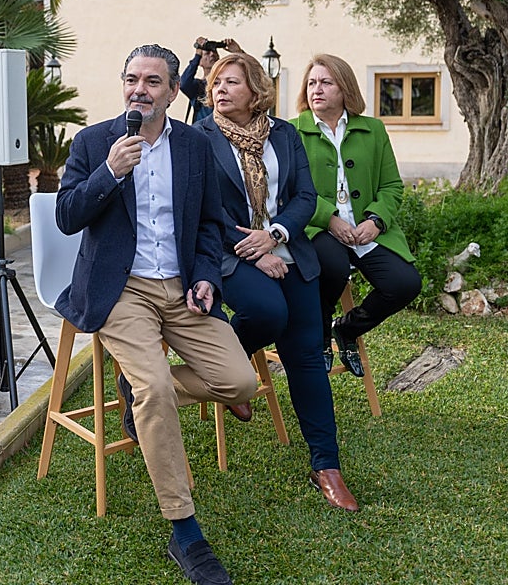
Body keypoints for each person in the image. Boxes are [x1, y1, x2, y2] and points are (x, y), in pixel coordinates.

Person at [56, 44, 258, 585]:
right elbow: (67, 216)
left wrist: (206, 278)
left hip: (181, 288)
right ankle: (185, 530)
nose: (138, 89)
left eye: (152, 81)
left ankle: (137, 392)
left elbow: (212, 223)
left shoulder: (194, 145)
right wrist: (109, 173)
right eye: (131, 79)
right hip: (120, 291)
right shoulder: (95, 142)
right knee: (159, 391)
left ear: (173, 91)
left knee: (240, 382)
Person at [196, 52, 359, 512]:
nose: (220, 90)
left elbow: (306, 197)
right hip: (229, 254)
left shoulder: (285, 134)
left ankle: (326, 466)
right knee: (268, 312)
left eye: (232, 82)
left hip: (286, 249)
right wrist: (250, 249)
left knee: (307, 356)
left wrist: (275, 236)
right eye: (216, 83)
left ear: (257, 91)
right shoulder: (199, 137)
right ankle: (232, 373)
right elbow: (201, 208)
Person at [292, 54, 422, 376]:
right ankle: (320, 335)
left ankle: (346, 329)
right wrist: (330, 219)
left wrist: (376, 221)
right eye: (311, 83)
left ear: (344, 87)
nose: (316, 90)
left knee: (405, 284)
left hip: (365, 231)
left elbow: (392, 186)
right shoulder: (291, 131)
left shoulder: (373, 130)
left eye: (325, 82)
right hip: (317, 228)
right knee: (332, 266)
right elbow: (290, 190)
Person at [180, 36, 242, 123]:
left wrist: (238, 52)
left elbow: (253, 76)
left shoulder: (229, 81)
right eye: (207, 53)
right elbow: (184, 83)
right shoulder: (198, 86)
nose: (212, 54)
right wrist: (197, 55)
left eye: (214, 52)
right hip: (203, 132)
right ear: (200, 62)